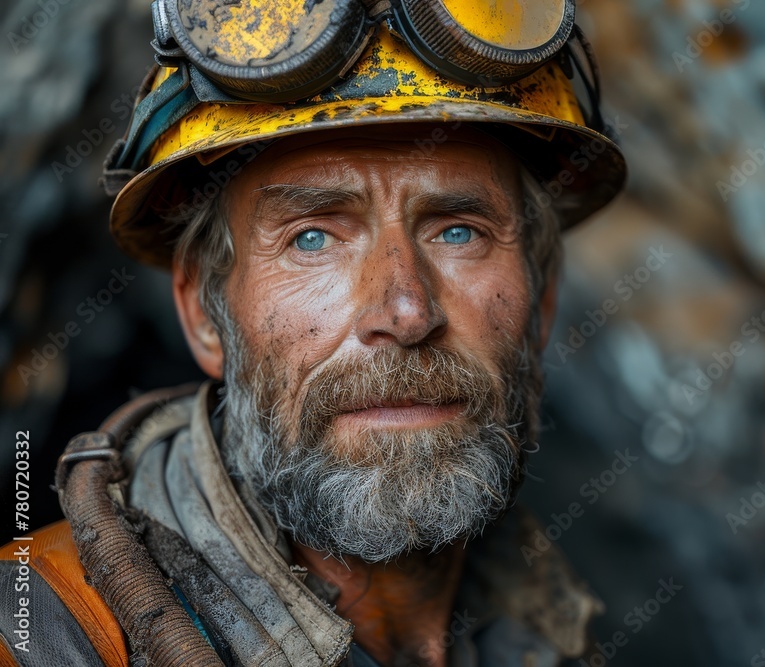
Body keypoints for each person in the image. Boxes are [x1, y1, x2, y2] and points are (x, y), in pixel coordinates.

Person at [0, 1, 626, 665]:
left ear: (543, 298)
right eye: (313, 238)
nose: (407, 312)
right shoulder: (36, 636)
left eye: (458, 231)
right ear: (205, 314)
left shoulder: (547, 631)